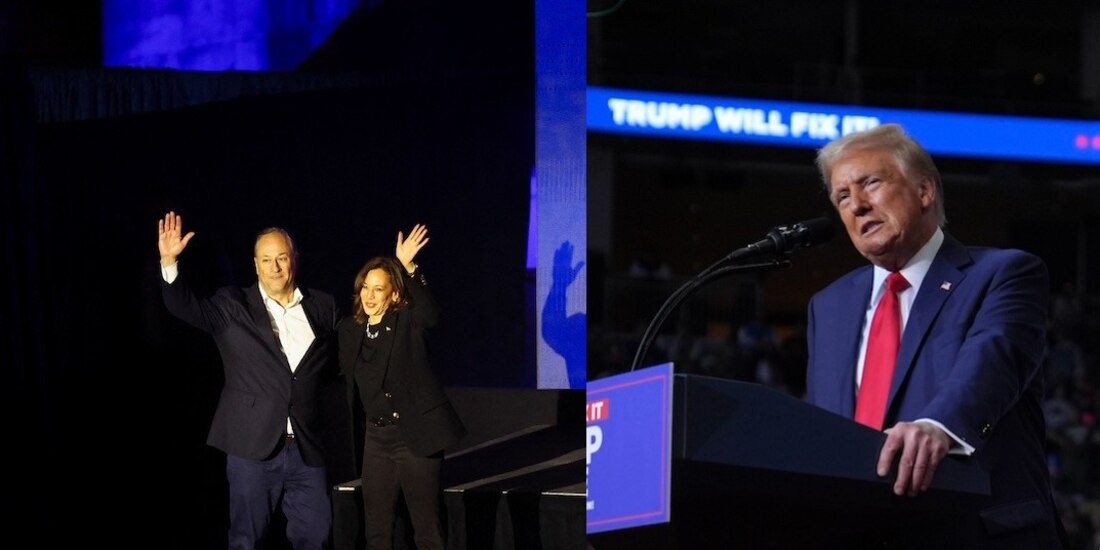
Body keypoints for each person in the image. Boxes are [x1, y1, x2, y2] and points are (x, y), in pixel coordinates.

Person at [805, 124, 1066, 549]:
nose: (857, 205)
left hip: (976, 534)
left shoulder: (1003, 274)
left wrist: (937, 426)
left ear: (925, 191)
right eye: (842, 197)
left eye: (871, 183)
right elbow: (824, 427)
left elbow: (993, 362)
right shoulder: (828, 306)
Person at [157, 211, 338, 550]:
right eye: (266, 260)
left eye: (281, 258)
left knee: (316, 535)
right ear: (255, 265)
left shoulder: (322, 306)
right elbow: (186, 307)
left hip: (306, 449)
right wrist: (169, 263)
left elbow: (334, 363)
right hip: (252, 449)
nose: (275, 267)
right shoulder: (233, 305)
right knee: (246, 540)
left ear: (294, 259)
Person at [336, 223, 467, 550]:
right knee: (376, 532)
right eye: (366, 287)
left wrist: (408, 267)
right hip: (376, 441)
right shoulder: (350, 331)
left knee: (426, 530)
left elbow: (431, 314)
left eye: (378, 289)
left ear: (393, 293)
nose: (369, 295)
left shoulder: (407, 321)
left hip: (414, 436)